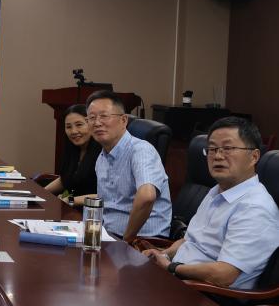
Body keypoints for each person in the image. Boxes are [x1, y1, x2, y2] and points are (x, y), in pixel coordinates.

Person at [143, 117, 279, 289]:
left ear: (254, 157)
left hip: (210, 295)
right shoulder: (216, 191)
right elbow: (189, 241)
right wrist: (162, 255)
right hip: (179, 279)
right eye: (212, 149)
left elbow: (224, 275)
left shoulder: (254, 208)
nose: (218, 156)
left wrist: (172, 267)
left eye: (228, 148)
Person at [87, 90, 171, 241]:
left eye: (104, 116)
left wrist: (126, 240)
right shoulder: (102, 157)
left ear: (123, 120)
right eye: (92, 118)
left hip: (143, 241)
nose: (97, 123)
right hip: (109, 236)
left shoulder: (141, 150)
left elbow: (147, 196)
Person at [45, 104, 99, 205]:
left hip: (92, 211)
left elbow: (107, 195)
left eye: (79, 125)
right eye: (68, 127)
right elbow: (65, 179)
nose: (73, 131)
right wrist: (41, 193)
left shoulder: (103, 152)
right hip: (71, 207)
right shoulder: (73, 149)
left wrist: (71, 200)